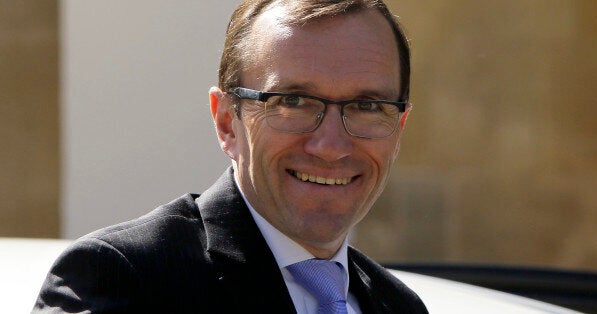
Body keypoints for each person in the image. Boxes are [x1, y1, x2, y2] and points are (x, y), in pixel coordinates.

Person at [33, 0, 428, 313]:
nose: (330, 146)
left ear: (400, 127)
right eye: (293, 102)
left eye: (368, 106)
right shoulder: (125, 278)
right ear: (226, 122)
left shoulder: (398, 305)